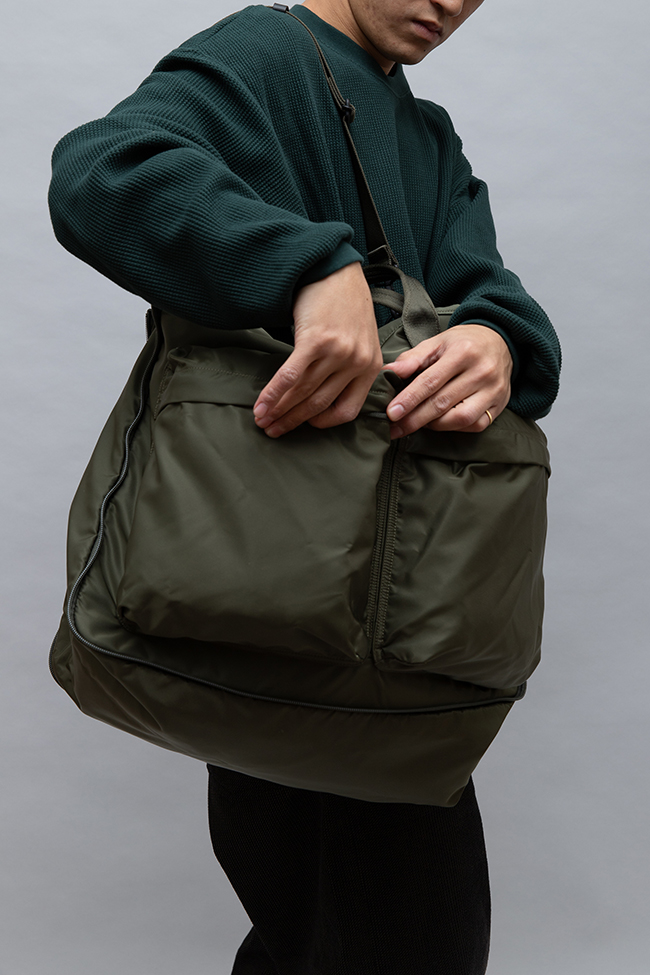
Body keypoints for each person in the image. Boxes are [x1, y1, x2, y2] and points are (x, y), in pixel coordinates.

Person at [49, 1, 561, 972]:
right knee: (397, 932)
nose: (451, 2)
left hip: (385, 595)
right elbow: (101, 170)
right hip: (274, 570)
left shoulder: (424, 131)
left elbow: (486, 285)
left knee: (322, 931)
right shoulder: (267, 51)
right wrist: (304, 266)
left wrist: (495, 337)